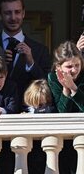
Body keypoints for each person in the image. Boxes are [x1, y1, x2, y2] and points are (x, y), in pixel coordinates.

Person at [0, 0, 51, 111]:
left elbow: (47, 84)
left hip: (28, 114)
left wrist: (31, 62)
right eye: (8, 13)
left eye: (17, 12)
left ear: (23, 13)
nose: (13, 18)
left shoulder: (40, 50)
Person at [48, 40, 84, 174]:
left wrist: (74, 88)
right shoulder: (52, 78)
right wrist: (65, 89)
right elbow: (61, 112)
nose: (74, 70)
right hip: (62, 139)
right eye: (69, 66)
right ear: (59, 67)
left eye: (77, 65)